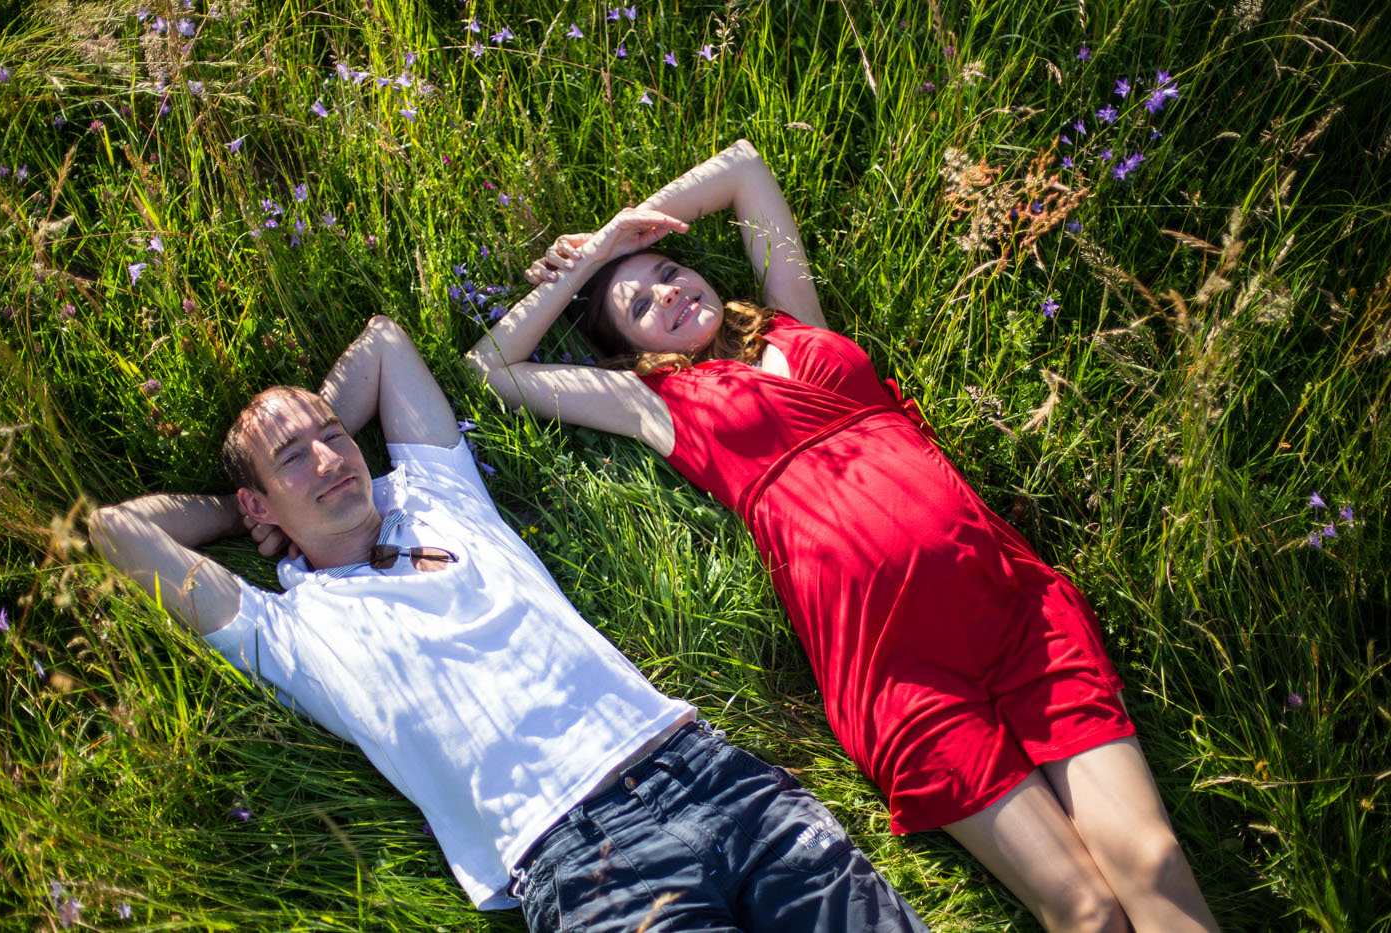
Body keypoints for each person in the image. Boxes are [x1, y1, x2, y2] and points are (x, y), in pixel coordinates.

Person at [463, 139, 1220, 933]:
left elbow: (743, 167)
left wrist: (625, 229)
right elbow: (492, 368)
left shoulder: (796, 320)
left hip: (1008, 605)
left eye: (668, 270)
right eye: (642, 304)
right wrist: (594, 260)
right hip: (897, 669)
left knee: (1153, 860)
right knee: (1086, 909)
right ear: (631, 348)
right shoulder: (656, 403)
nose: (670, 291)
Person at [88, 314, 930, 933]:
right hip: (586, 865)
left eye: (334, 435)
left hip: (705, 769)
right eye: (293, 457)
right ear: (256, 501)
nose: (330, 458)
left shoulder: (440, 496)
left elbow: (383, 343)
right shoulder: (286, 630)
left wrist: (294, 461)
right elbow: (116, 529)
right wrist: (251, 513)